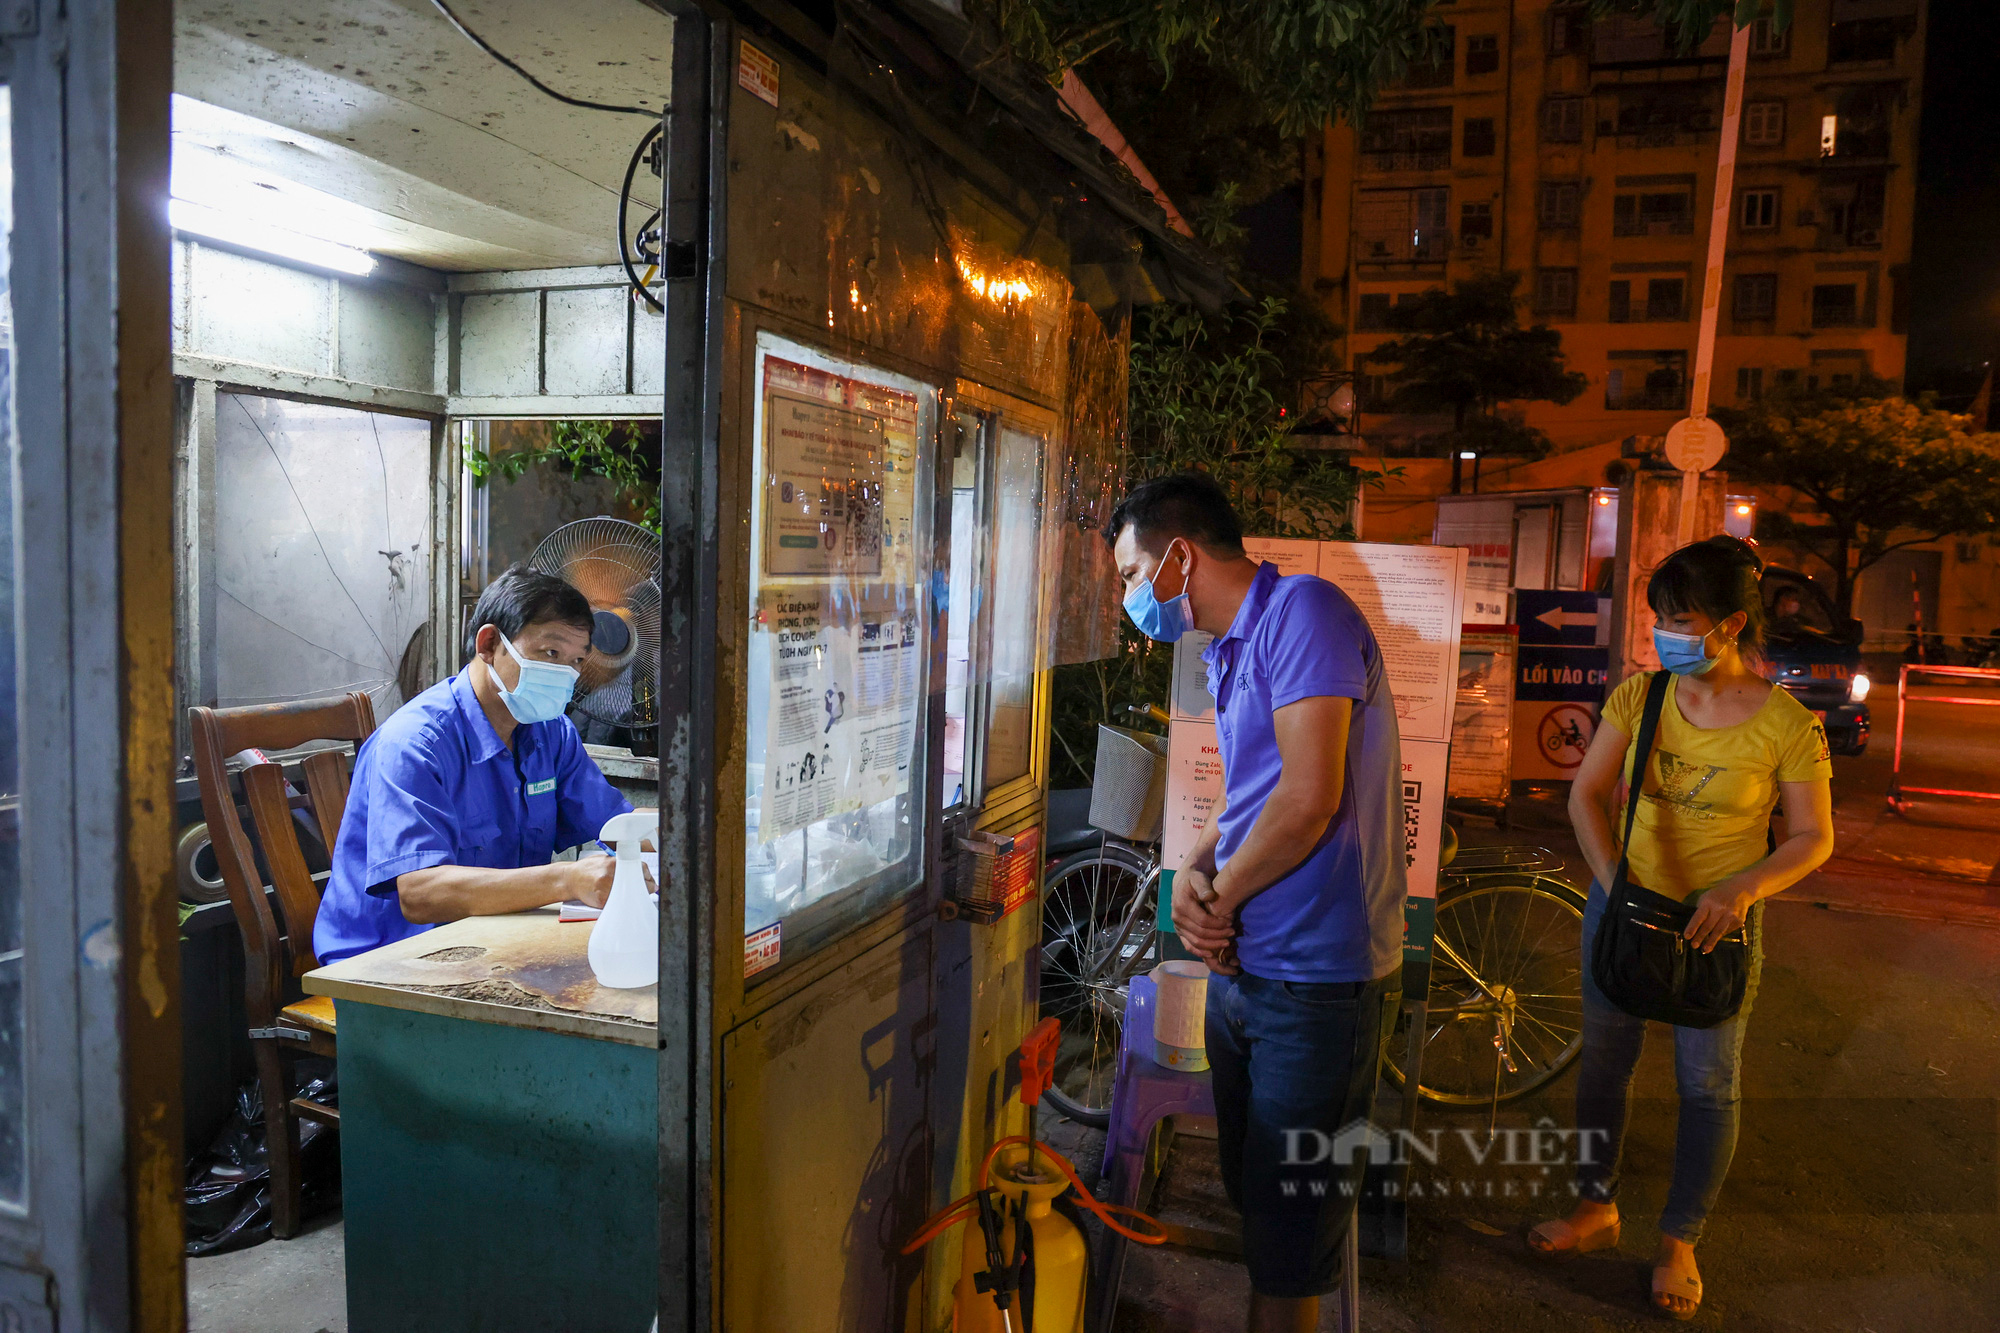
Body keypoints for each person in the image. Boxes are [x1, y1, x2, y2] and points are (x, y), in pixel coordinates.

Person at [1104, 473, 1405, 1333]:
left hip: (1317, 984)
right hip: (1245, 973)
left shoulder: (1304, 613)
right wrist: (1193, 876)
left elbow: (1310, 796)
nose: (1131, 596)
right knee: (1257, 1197)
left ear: (1181, 556)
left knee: (1287, 1246)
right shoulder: (1231, 646)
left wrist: (1218, 902)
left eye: (1132, 575)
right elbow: (1250, 794)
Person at [1530, 536, 1835, 1320]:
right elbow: (1585, 795)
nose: (1665, 632)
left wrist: (1743, 886)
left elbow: (1811, 835)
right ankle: (1595, 1207)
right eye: (1659, 616)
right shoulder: (1643, 696)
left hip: (1717, 923)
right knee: (1604, 1064)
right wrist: (1615, 886)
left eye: (1681, 618)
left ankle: (1679, 1239)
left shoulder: (1788, 724)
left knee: (1707, 1083)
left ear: (1732, 624)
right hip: (1627, 903)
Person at [313, 564, 649, 965]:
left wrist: (694, 836)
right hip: (389, 960)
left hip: (496, 942)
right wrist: (568, 878)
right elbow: (420, 894)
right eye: (551, 653)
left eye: (577, 661)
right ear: (489, 644)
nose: (565, 674)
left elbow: (616, 825)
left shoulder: (550, 733)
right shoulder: (414, 745)